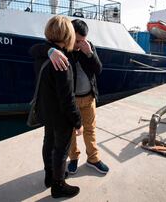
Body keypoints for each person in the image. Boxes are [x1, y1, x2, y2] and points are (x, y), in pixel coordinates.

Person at [31, 19, 109, 175]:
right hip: (71, 101)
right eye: (77, 40)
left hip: (88, 98)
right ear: (69, 36)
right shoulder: (63, 50)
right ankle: (73, 158)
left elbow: (98, 69)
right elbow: (34, 50)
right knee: (71, 134)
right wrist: (49, 51)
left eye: (83, 40)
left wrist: (89, 53)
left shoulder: (88, 47)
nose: (80, 43)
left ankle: (93, 158)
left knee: (90, 130)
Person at [30, 15, 83, 199]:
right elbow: (68, 100)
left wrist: (49, 50)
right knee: (61, 150)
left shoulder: (42, 55)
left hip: (46, 112)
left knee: (48, 143)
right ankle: (58, 186)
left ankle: (49, 176)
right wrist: (78, 122)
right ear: (68, 34)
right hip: (60, 117)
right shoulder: (61, 62)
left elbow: (33, 50)